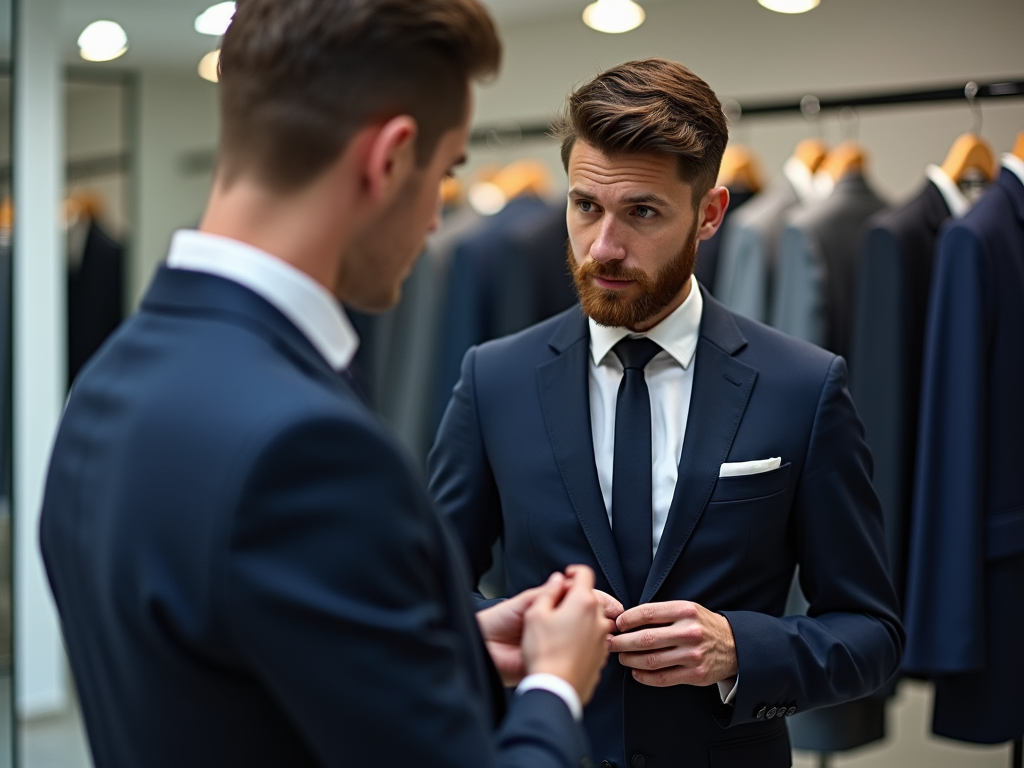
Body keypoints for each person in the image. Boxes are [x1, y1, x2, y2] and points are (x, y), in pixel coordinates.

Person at [39, 2, 612, 767]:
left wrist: (433, 640)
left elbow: (225, 663)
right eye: (443, 177)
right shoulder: (307, 449)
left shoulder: (108, 381)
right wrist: (555, 685)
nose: (436, 224)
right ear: (389, 159)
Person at [429, 58, 904, 768]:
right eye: (585, 206)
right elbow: (425, 594)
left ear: (709, 214)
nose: (604, 248)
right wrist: (506, 641)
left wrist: (743, 649)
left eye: (642, 213)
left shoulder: (803, 386)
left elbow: (872, 633)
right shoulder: (493, 378)